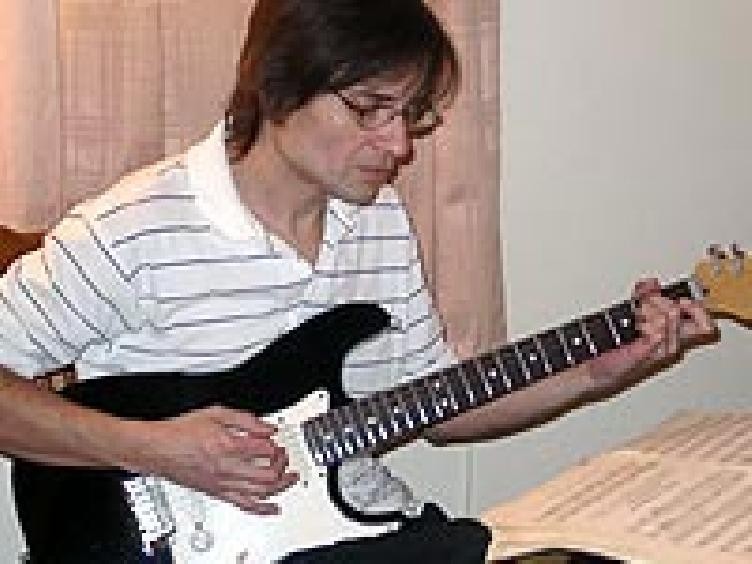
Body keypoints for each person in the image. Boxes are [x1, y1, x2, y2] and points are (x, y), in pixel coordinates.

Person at [0, 0, 716, 562]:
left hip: (361, 529)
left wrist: (595, 371)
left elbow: (442, 406)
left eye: (410, 115)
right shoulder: (131, 228)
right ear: (277, 88)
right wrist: (153, 448)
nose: (399, 145)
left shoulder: (378, 220)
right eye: (369, 109)